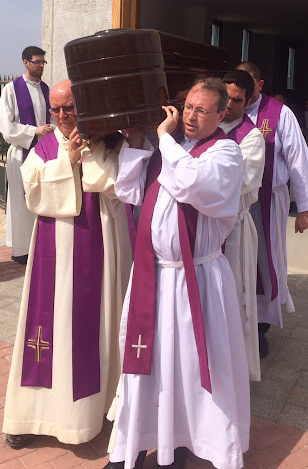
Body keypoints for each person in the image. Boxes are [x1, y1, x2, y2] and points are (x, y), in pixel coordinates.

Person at [105, 77, 249, 469]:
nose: (190, 116)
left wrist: (163, 140)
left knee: (188, 370)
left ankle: (184, 445)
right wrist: (137, 142)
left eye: (202, 110)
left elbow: (192, 184)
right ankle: (132, 446)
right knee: (150, 366)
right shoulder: (169, 149)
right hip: (153, 276)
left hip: (196, 281)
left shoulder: (225, 153)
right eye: (187, 107)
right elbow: (127, 191)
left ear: (222, 114)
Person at [3, 80, 132, 448]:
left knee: (92, 326)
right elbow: (33, 192)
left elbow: (114, 186)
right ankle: (32, 414)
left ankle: (94, 413)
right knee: (47, 327)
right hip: (53, 253)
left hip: (99, 246)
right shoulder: (43, 146)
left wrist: (89, 156)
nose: (62, 116)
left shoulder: (110, 140)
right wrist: (68, 162)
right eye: (56, 109)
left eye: (70, 108)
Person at [236, 62, 308, 358]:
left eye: (247, 86)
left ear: (259, 84)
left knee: (264, 260)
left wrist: (306, 208)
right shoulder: (228, 108)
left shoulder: (280, 113)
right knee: (236, 260)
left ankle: (260, 328)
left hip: (268, 201)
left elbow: (298, 157)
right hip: (233, 205)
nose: (239, 95)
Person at [221, 70, 265, 381]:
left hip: (232, 229)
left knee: (232, 296)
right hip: (201, 229)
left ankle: (232, 372)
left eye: (237, 100)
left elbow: (242, 181)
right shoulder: (201, 127)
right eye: (226, 97)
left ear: (249, 101)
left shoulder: (251, 137)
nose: (230, 105)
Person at [0, 46, 53, 265]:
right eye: (37, 62)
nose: (41, 66)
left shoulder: (46, 89)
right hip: (22, 152)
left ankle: (39, 245)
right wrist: (34, 131)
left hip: (44, 152)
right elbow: (4, 125)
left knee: (41, 199)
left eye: (43, 62)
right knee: (21, 201)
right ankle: (21, 250)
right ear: (25, 62)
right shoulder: (12, 89)